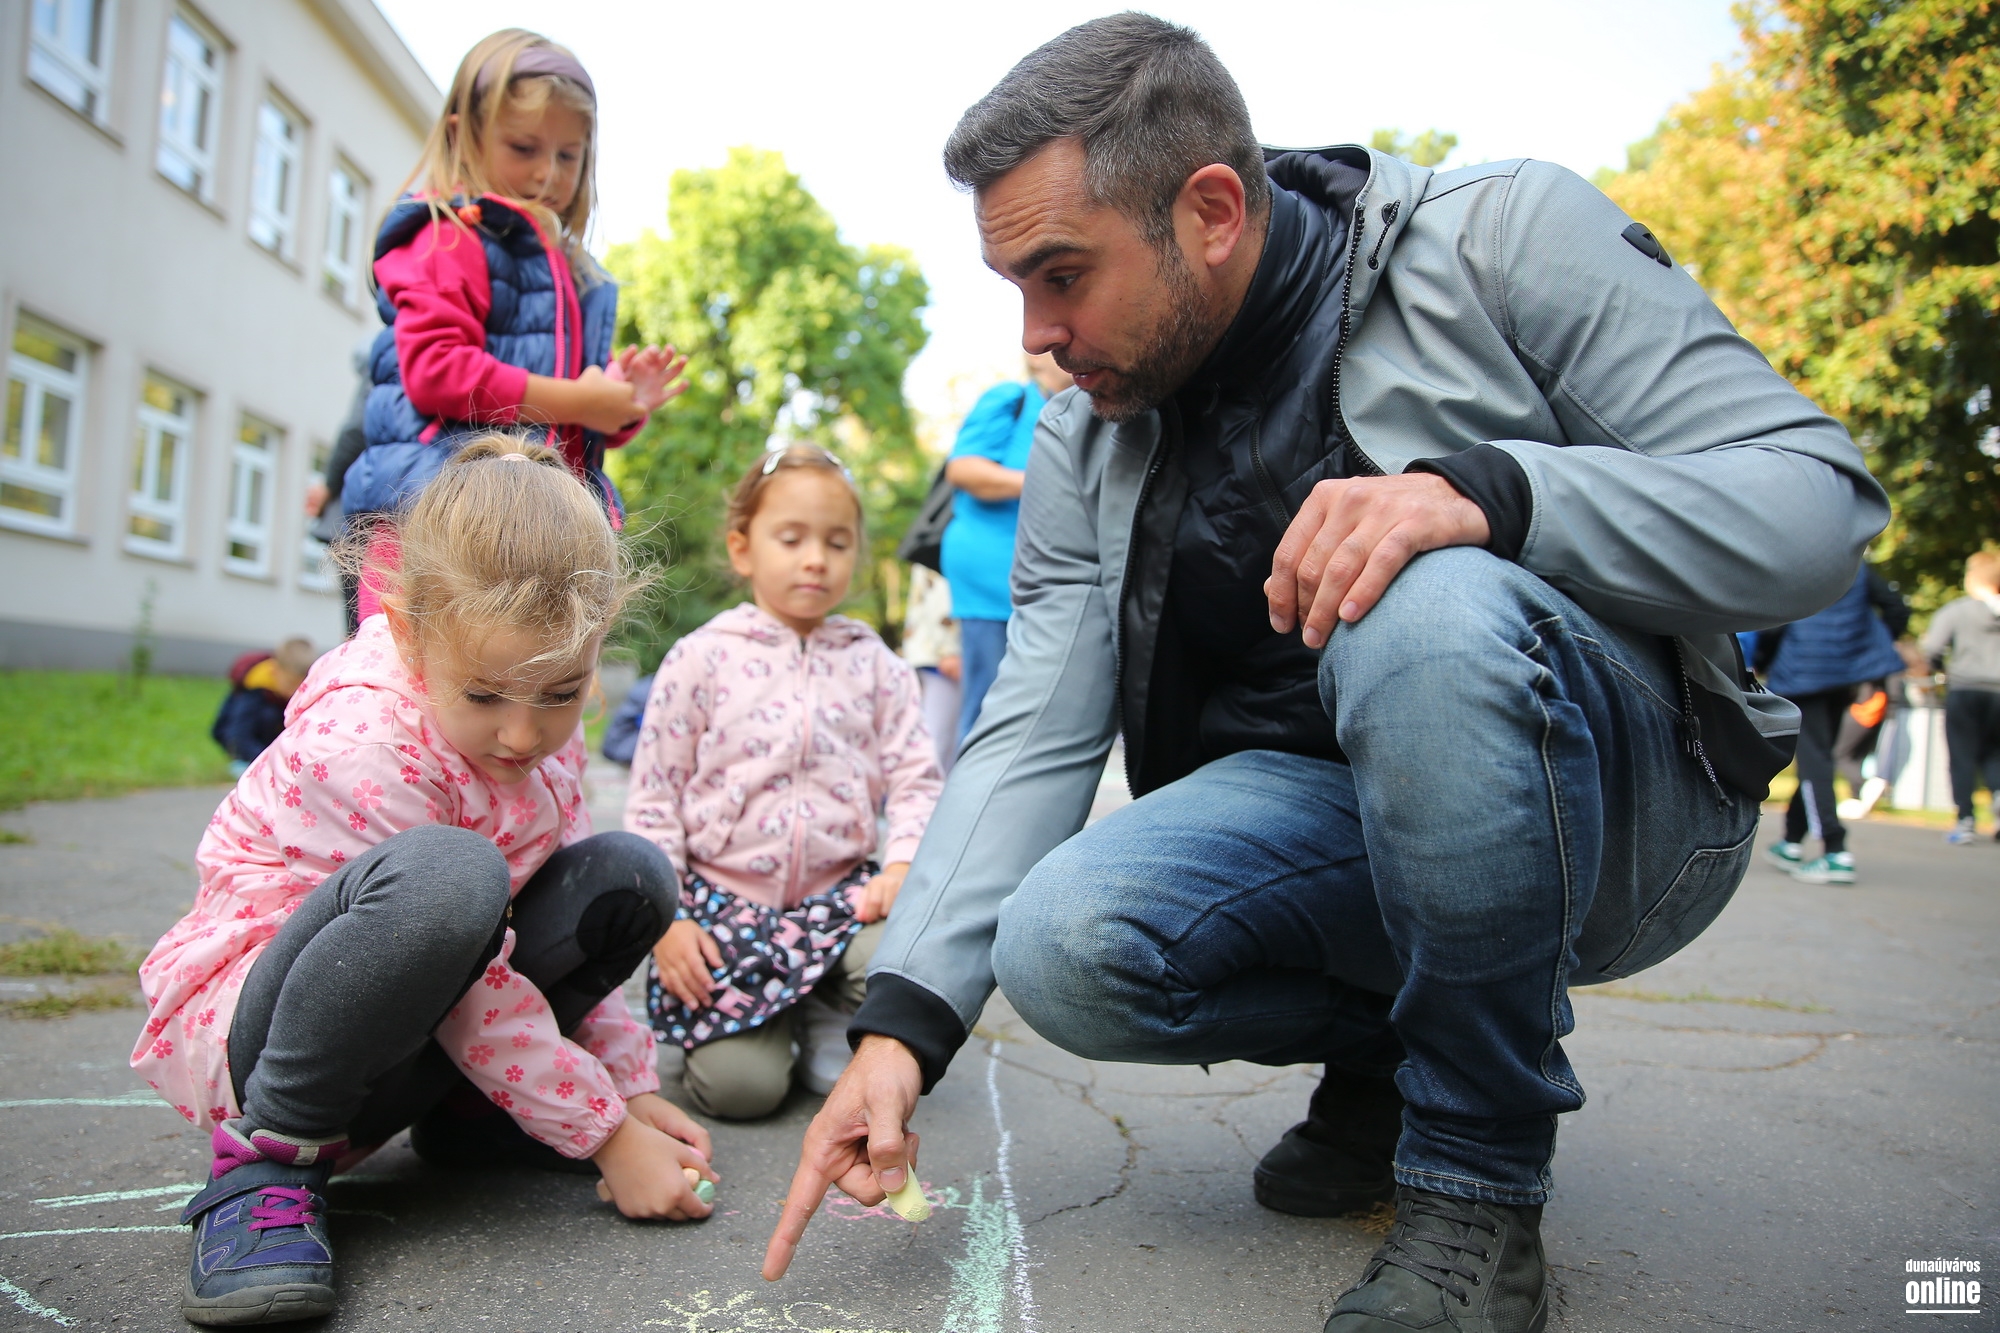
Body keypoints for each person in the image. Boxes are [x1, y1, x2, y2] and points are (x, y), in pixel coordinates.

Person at [762, 18, 1887, 1333]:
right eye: (1015, 285)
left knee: (1418, 594)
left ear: (1211, 211)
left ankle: (1476, 1182)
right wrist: (899, 1033)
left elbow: (1817, 505)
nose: (1039, 334)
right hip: (1337, 831)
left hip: (1627, 817)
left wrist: (1492, 496)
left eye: (1061, 275)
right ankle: (1394, 1058)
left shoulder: (1502, 236)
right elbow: (1030, 732)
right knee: (1063, 944)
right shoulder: (1082, 439)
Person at [134, 439, 715, 1327]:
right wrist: (605, 1132)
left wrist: (629, 1086)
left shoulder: (535, 740)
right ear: (410, 633)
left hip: (420, 1021)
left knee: (626, 876)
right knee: (454, 875)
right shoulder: (364, 741)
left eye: (560, 692)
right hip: (275, 1033)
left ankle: (476, 1118)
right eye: (485, 696)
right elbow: (472, 980)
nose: (522, 734)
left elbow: (523, 936)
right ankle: (266, 1166)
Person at [626, 445, 942, 1121]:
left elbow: (917, 777)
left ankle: (827, 1006)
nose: (816, 559)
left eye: (837, 542)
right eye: (791, 539)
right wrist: (668, 919)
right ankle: (771, 1021)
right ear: (742, 549)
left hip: (841, 903)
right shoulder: (701, 658)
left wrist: (902, 863)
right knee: (741, 1091)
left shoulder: (874, 664)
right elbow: (654, 797)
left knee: (911, 955)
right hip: (724, 910)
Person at [338, 27, 689, 616]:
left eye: (568, 156)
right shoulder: (448, 238)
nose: (548, 173)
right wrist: (580, 400)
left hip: (525, 529)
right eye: (524, 148)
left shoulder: (572, 276)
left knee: (528, 676)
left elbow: (562, 416)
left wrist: (615, 401)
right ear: (464, 136)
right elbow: (436, 370)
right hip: (432, 524)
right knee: (407, 675)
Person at [940, 352, 1074, 743]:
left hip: (1050, 579)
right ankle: (972, 781)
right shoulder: (1011, 398)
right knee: (988, 705)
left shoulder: (1081, 412)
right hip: (992, 575)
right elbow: (963, 468)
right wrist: (1046, 480)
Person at [1753, 563, 1907, 883]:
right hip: (1845, 673)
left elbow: (1774, 624)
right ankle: (1791, 841)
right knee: (1819, 759)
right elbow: (1896, 607)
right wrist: (1871, 647)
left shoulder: (1795, 568)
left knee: (1815, 762)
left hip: (1803, 671)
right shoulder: (1854, 567)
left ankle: (1835, 851)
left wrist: (1763, 661)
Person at [1922, 549, 2000, 844]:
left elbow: (1933, 649)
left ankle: (1965, 820)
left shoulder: (1957, 611)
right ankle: (1998, 796)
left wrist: (1942, 669)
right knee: (1995, 753)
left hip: (1965, 688)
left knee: (1962, 754)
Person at [210, 639, 317, 775]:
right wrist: (268, 761)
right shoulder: (254, 689)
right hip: (240, 741)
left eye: (300, 686)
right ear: (275, 670)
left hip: (270, 750)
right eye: (290, 683)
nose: (293, 691)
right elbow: (238, 734)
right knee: (269, 715)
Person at [900, 562, 963, 773]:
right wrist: (948, 649)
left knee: (939, 738)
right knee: (939, 740)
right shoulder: (940, 544)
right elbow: (939, 593)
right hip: (940, 657)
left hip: (928, 652)